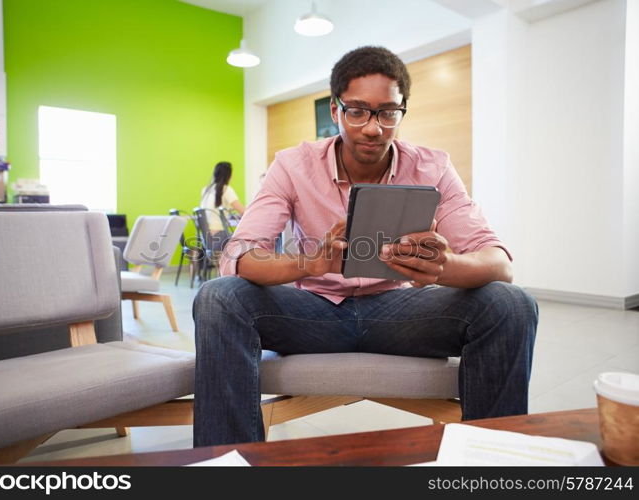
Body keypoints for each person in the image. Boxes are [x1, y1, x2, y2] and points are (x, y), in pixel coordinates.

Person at [193, 46, 538, 447]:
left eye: (387, 112)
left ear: (402, 110)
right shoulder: (292, 164)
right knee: (219, 297)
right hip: (313, 314)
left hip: (400, 313)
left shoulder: (434, 166)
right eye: (356, 110)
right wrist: (311, 263)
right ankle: (229, 466)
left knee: (510, 303)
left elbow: (497, 262)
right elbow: (240, 254)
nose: (373, 128)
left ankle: (490, 463)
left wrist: (445, 268)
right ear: (336, 111)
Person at [199, 161, 245, 250]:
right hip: (219, 237)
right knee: (247, 240)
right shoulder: (226, 189)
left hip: (204, 238)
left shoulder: (206, 190)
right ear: (229, 175)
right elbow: (244, 212)